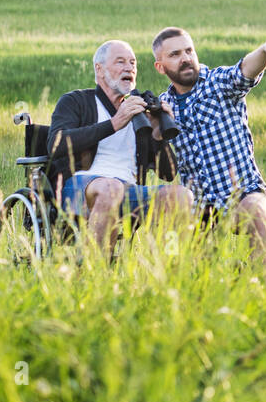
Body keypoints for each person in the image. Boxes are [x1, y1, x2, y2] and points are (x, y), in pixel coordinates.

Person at [151, 24, 266, 274]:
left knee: (257, 214)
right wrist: (157, 130)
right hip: (200, 206)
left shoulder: (218, 82)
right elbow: (161, 165)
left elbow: (245, 69)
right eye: (175, 55)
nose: (185, 59)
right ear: (160, 67)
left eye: (189, 51)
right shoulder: (164, 106)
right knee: (200, 272)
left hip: (243, 192)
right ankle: (227, 278)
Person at [47, 39, 192, 257]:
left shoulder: (140, 112)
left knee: (183, 196)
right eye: (120, 62)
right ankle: (94, 273)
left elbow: (169, 174)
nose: (129, 68)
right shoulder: (76, 101)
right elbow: (55, 143)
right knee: (111, 188)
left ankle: (169, 275)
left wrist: (157, 135)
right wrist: (115, 123)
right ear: (100, 69)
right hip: (78, 188)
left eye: (133, 63)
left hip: (128, 192)